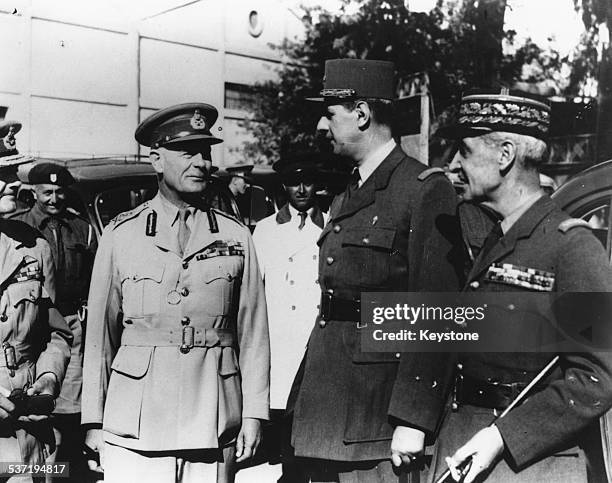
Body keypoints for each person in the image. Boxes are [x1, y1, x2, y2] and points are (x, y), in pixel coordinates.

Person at [290, 59, 464, 482]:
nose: (320, 125)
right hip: (327, 401)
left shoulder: (422, 189)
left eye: (330, 113)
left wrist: (414, 418)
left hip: (378, 414)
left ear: (362, 114)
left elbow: (437, 311)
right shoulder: (350, 191)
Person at [81, 103, 270, 483]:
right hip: (136, 422)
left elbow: (253, 337)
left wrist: (254, 413)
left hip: (214, 418)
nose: (202, 162)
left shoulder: (236, 236)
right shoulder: (122, 235)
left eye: (206, 152)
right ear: (156, 159)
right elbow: (100, 338)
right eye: (189, 152)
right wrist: (94, 419)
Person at [432, 88, 612, 482]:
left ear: (505, 155)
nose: (452, 164)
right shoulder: (494, 237)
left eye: (463, 150)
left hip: (528, 462)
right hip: (463, 447)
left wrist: (501, 437)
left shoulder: (572, 247)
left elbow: (596, 378)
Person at [10, 162, 97, 481]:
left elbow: (94, 278)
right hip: (27, 322)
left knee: (67, 405)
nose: (54, 199)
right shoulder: (18, 227)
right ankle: (35, 468)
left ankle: (63, 469)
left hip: (69, 322)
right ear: (33, 192)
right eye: (47, 192)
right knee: (29, 407)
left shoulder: (82, 229)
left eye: (61, 192)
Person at [0, 120, 72, 480]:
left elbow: (56, 333)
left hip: (25, 429)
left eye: (12, 169)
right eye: (0, 171)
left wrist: (47, 377)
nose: (13, 180)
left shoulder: (33, 246)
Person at [252, 152, 324, 483]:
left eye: (307, 181)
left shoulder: (331, 225)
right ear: (284, 185)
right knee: (284, 421)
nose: (301, 189)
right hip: (280, 340)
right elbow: (255, 292)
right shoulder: (265, 230)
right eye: (294, 182)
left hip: (316, 339)